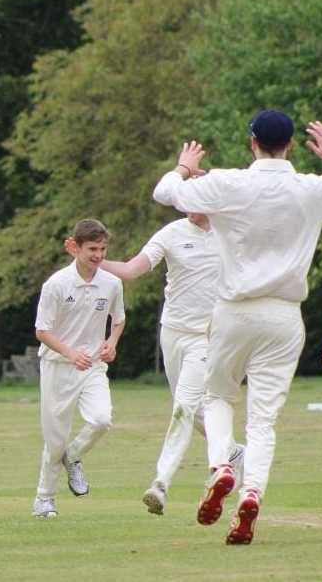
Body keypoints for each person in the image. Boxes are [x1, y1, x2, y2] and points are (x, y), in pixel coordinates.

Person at [153, 111, 322, 545]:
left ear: (252, 142)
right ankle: (251, 493)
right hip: (284, 316)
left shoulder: (232, 182)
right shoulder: (310, 188)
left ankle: (221, 469)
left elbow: (165, 191)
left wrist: (184, 166)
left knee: (217, 396)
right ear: (290, 145)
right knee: (263, 420)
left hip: (234, 310)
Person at [100, 214, 244, 515]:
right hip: (173, 333)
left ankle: (160, 484)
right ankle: (233, 453)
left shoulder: (229, 232)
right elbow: (131, 269)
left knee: (184, 407)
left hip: (206, 337)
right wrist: (94, 263)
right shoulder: (171, 233)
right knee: (190, 409)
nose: (191, 208)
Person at [31, 219, 126, 519]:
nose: (98, 255)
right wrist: (71, 353)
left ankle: (73, 457)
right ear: (76, 247)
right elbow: (42, 331)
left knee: (101, 419)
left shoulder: (111, 283)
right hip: (58, 366)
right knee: (55, 438)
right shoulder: (57, 284)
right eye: (92, 249)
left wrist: (111, 342)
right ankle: (44, 500)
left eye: (102, 249)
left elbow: (119, 319)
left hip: (93, 366)